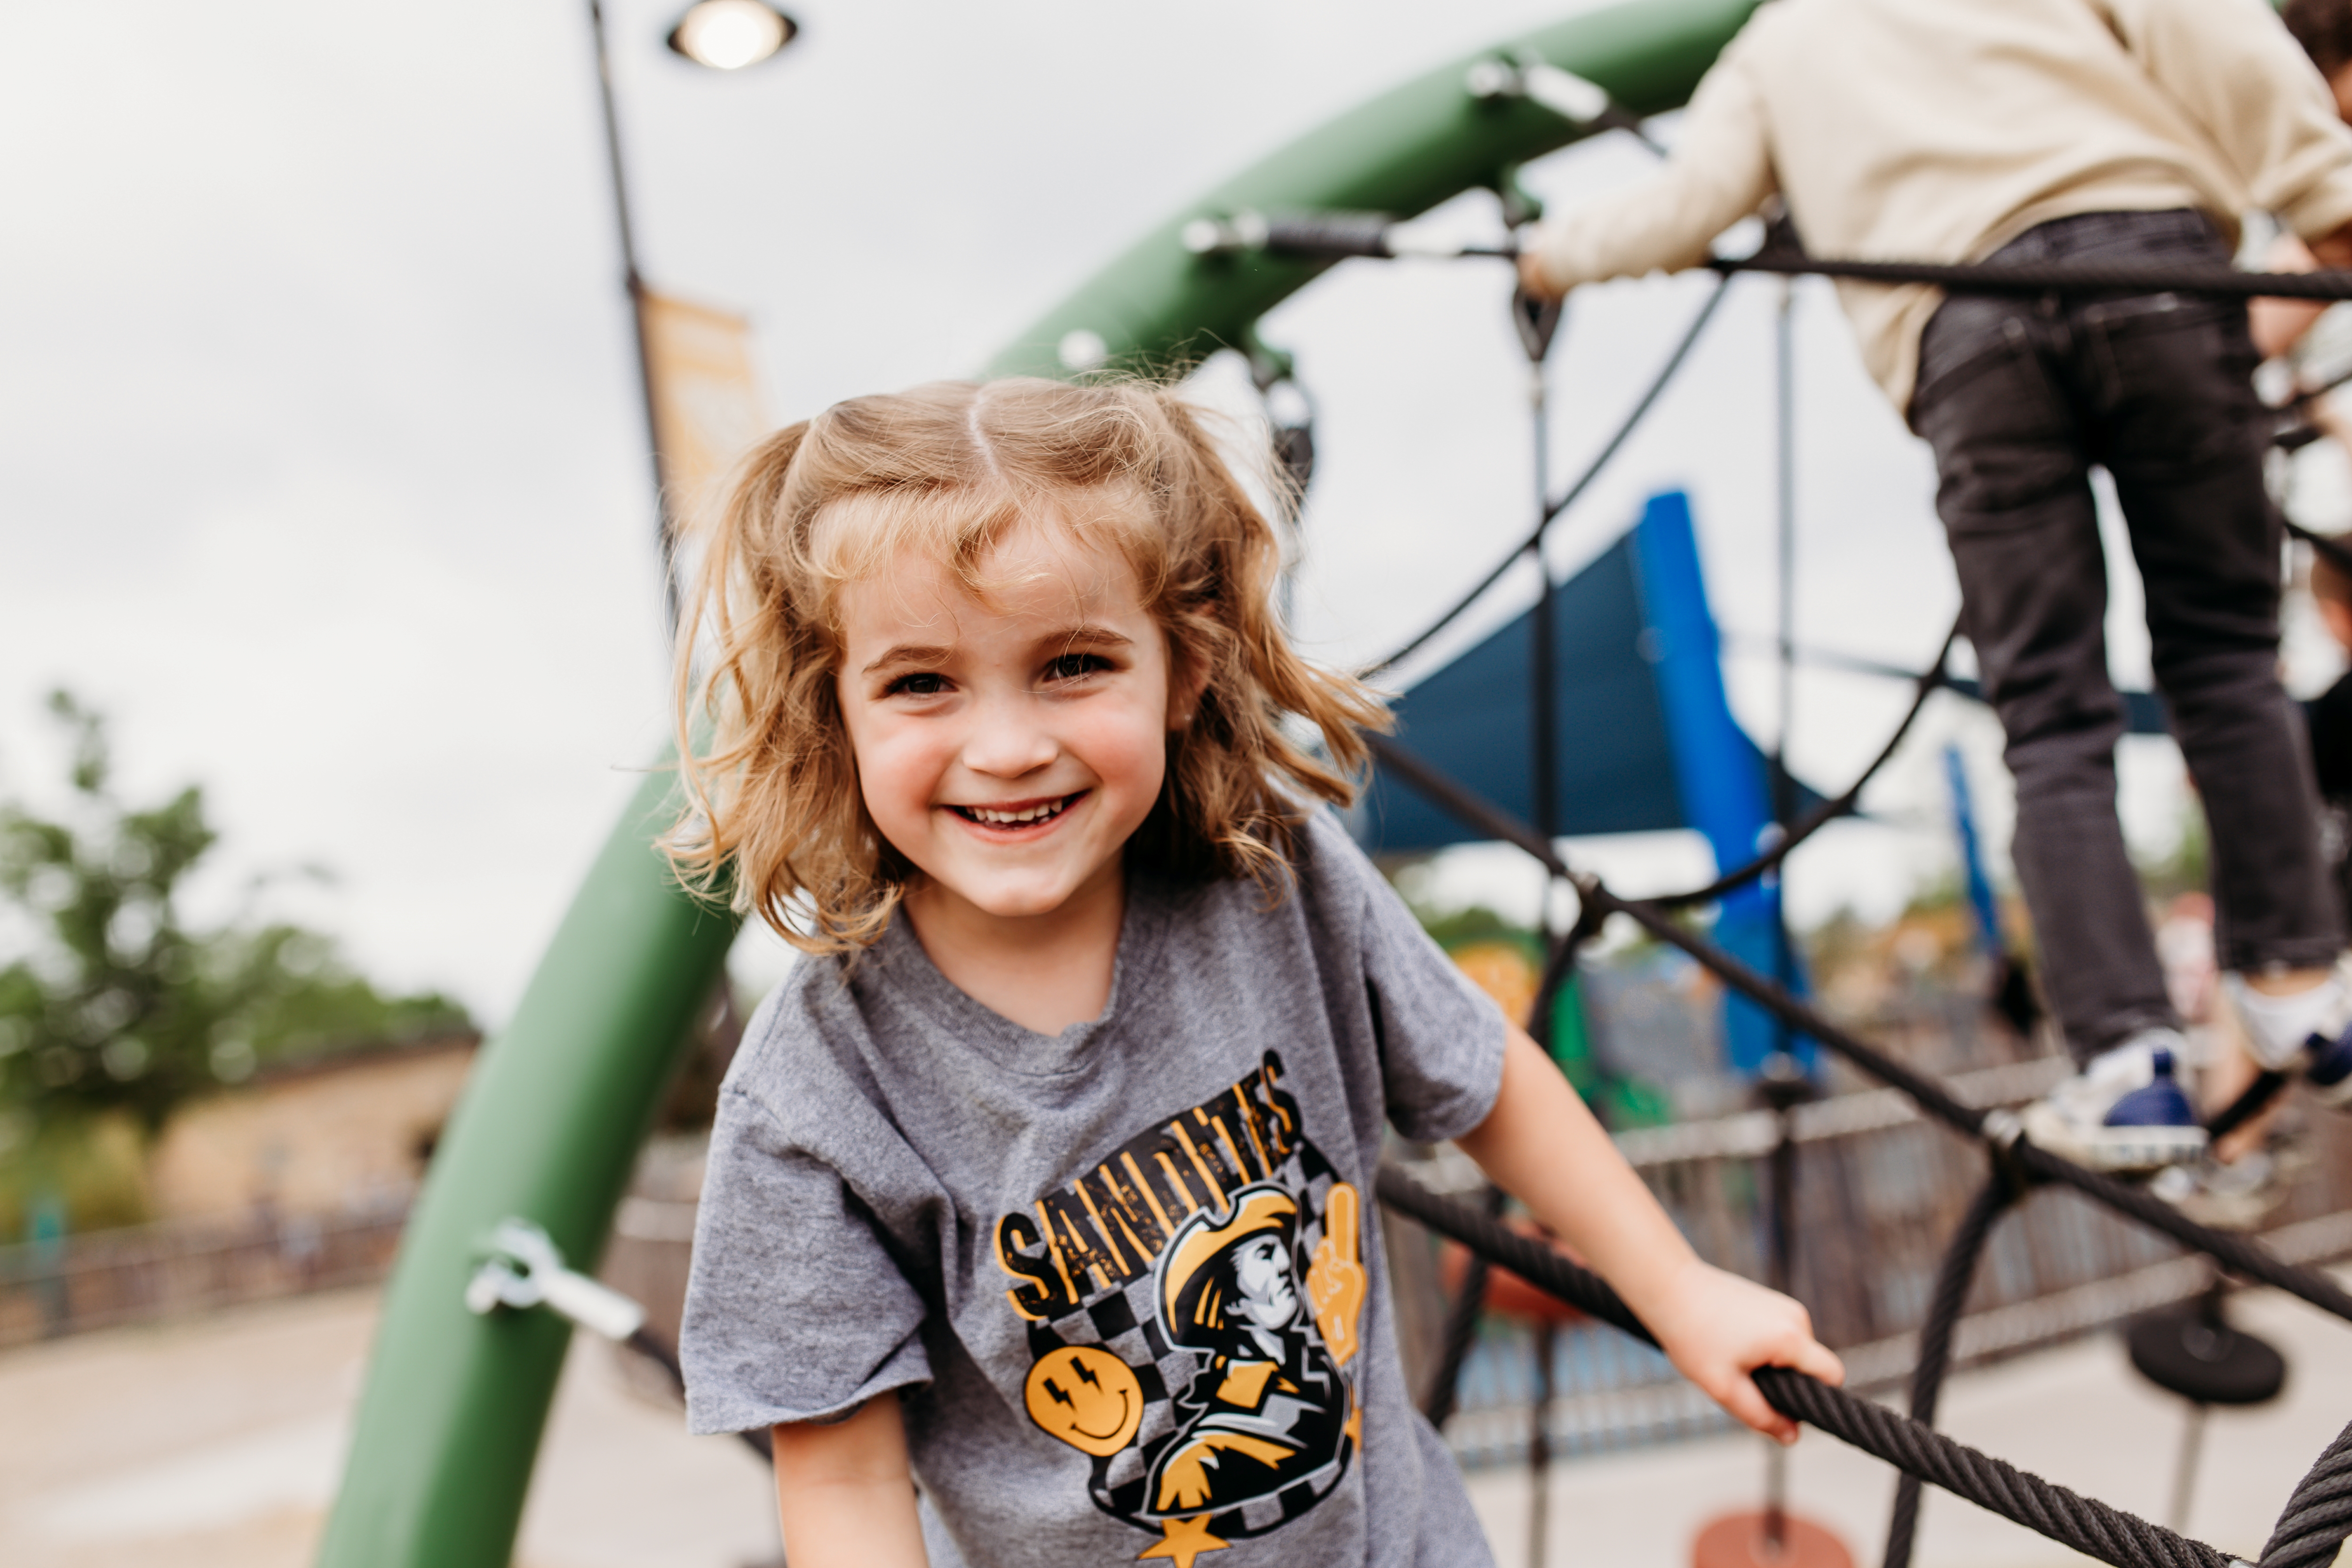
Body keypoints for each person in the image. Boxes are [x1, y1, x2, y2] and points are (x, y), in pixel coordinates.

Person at [666, 378, 1844, 1568]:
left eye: (1073, 662)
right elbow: (844, 1475)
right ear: (835, 711)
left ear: (1182, 668)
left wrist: (1680, 1292)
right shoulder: (820, 1091)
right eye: (921, 682)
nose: (1010, 746)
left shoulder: (1272, 880)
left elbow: (1488, 1079)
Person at [1520, 0, 2352, 1173]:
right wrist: (2327, 196)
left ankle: (2124, 1064)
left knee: (2050, 711)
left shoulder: (1782, 39)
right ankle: (2298, 982)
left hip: (1966, 329)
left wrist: (1552, 257)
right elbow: (2210, 28)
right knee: (2222, 650)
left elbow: (1684, 207)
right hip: (2153, 268)